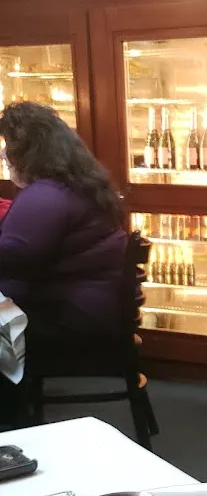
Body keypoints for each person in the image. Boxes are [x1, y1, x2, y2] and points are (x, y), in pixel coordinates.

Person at [0, 102, 127, 346]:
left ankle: (12, 384)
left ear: (30, 151)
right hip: (93, 306)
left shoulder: (46, 196)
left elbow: (14, 258)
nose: (3, 153)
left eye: (8, 146)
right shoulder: (75, 186)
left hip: (67, 314)